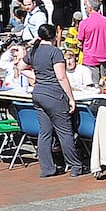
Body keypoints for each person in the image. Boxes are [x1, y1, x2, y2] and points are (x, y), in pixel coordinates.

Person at [26, 24, 88, 178]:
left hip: (38, 93)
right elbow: (61, 77)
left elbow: (21, 66)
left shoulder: (33, 51)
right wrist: (71, 98)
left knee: (45, 132)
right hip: (54, 95)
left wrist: (36, 78)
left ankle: (47, 168)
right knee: (64, 131)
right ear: (54, 37)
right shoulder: (55, 52)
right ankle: (75, 166)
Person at [77, 0, 106, 86]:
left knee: (93, 88)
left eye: (85, 7)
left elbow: (80, 43)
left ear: (89, 8)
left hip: (90, 59)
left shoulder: (84, 23)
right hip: (105, 58)